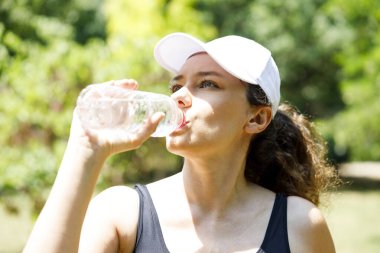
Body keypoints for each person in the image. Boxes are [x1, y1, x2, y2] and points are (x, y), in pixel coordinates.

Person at [23, 32, 339, 253]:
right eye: (177, 84)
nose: (179, 97)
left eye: (207, 83)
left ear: (256, 118)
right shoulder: (122, 214)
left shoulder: (298, 224)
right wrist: (84, 151)